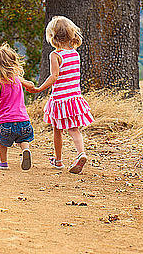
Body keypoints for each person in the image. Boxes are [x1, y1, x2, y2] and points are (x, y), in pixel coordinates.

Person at [31, 16, 94, 174]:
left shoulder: (55, 55)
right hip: (74, 98)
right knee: (74, 130)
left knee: (57, 130)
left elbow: (54, 76)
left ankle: (58, 161)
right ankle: (81, 153)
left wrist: (40, 89)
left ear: (52, 36)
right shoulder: (74, 54)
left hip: (60, 99)